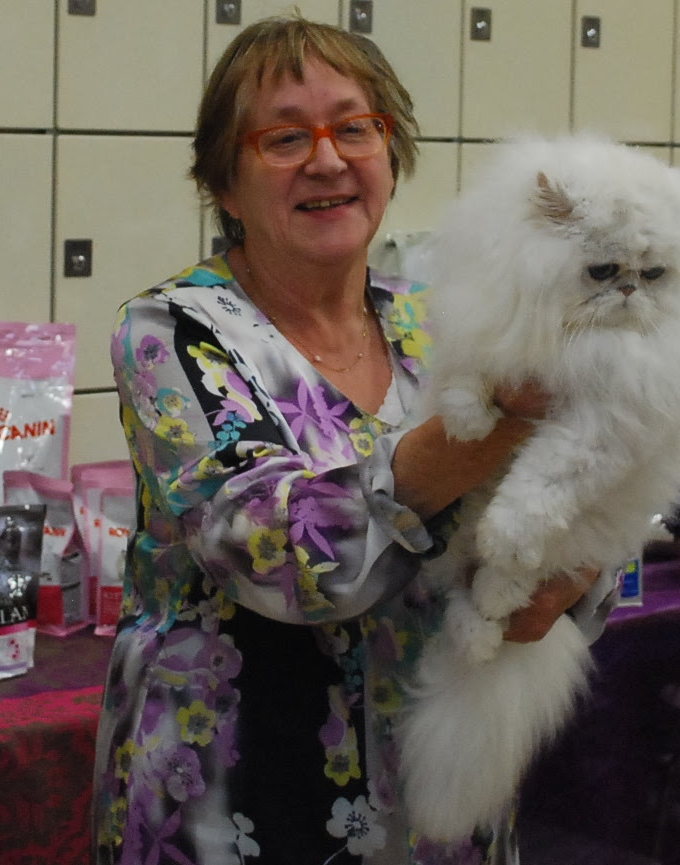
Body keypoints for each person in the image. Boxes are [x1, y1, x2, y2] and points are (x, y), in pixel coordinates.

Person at [93, 15, 617, 865]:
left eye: (354, 128)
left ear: (390, 154)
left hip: (437, 799)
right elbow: (280, 559)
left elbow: (577, 494)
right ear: (225, 183)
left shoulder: (441, 319)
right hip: (240, 799)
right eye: (284, 137)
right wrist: (503, 417)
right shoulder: (173, 331)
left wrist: (569, 576)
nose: (328, 159)